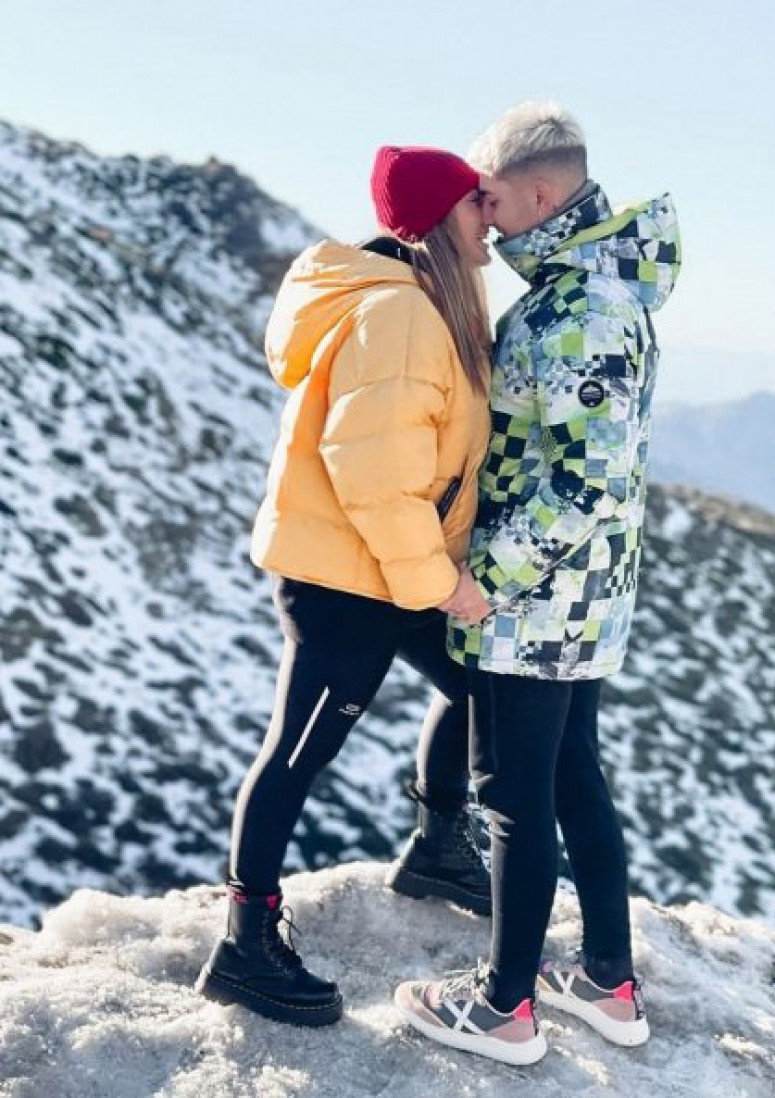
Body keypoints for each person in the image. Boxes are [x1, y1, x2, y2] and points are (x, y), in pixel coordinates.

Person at [395, 101, 681, 1065]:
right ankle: (607, 979)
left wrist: (490, 580)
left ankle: (504, 1007)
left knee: (514, 794)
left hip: (537, 604)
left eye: (492, 196)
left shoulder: (583, 309)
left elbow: (585, 481)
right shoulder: (588, 288)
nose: (482, 212)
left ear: (543, 194)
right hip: (580, 598)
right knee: (570, 780)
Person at [196, 145, 495, 1027]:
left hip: (381, 567)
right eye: (479, 207)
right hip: (350, 579)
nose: (493, 225)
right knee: (297, 750)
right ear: (443, 219)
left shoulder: (415, 303)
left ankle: (438, 846)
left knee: (483, 686)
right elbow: (371, 470)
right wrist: (440, 582)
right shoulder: (400, 317)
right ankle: (245, 946)